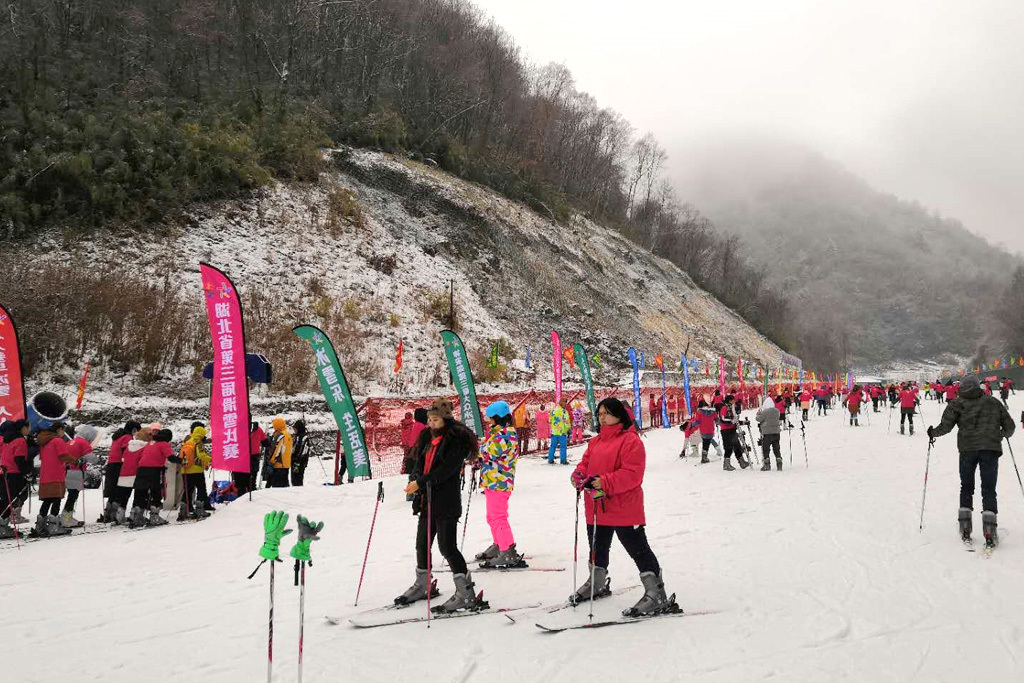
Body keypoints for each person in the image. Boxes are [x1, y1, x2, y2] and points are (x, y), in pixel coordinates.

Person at [569, 397, 679, 616]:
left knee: (638, 549)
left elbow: (632, 475)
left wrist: (605, 482)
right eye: (599, 413)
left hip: (624, 507)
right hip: (597, 506)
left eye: (607, 413)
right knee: (597, 547)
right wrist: (579, 474)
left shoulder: (631, 441)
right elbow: (585, 464)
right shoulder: (595, 442)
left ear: (619, 415)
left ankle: (656, 593)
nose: (602, 417)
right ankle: (597, 582)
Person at [397, 398, 483, 613]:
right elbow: (419, 463)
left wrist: (421, 482)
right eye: (429, 420)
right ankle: (423, 585)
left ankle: (466, 592)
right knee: (422, 544)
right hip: (426, 500)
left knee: (447, 546)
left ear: (445, 420)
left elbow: (446, 470)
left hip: (446, 501)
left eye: (435, 420)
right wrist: (415, 478)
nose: (431, 424)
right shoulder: (426, 436)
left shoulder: (456, 440)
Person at [928, 375, 1016, 548]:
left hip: (967, 450)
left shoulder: (957, 403)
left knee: (966, 486)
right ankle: (990, 528)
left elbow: (945, 427)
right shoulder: (992, 402)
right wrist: (1000, 434)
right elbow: (1010, 426)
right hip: (990, 449)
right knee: (989, 488)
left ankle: (965, 526)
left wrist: (932, 433)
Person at [474, 401, 523, 568]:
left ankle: (506, 550)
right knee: (492, 517)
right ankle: (499, 544)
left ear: (498, 418)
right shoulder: (499, 433)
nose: (489, 421)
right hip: (492, 480)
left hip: (499, 482)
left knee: (498, 517)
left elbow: (489, 452)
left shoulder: (505, 436)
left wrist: (479, 450)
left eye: (490, 418)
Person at [35, 423, 76, 537]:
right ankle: (53, 525)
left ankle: (40, 525)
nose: (63, 433)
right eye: (63, 430)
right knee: (57, 498)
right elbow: (63, 455)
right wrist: (75, 461)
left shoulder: (44, 442)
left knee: (47, 500)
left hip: (45, 475)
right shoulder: (57, 440)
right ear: (59, 430)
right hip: (56, 474)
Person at [133, 428, 176, 527]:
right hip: (154, 470)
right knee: (156, 493)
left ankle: (137, 517)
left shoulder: (151, 442)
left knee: (141, 492)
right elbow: (170, 457)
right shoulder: (164, 443)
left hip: (141, 469)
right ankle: (154, 516)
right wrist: (181, 461)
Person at [99, 420, 140, 522]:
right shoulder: (127, 437)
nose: (136, 434)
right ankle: (116, 514)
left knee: (113, 490)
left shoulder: (118, 436)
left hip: (111, 464)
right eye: (136, 431)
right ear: (133, 429)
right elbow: (126, 452)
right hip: (119, 465)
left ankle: (108, 513)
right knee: (120, 490)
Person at [61, 425, 98, 528]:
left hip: (68, 471)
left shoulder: (71, 441)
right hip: (76, 472)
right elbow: (91, 457)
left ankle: (68, 517)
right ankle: (66, 518)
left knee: (71, 495)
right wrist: (96, 459)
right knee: (73, 496)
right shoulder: (83, 443)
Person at [178, 426, 212, 520]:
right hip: (196, 471)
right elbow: (201, 455)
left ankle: (184, 511)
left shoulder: (188, 441)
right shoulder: (199, 443)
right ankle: (200, 509)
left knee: (188, 491)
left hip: (185, 470)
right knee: (201, 489)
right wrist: (211, 459)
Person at [719, 395, 750, 471]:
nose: (734, 401)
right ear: (730, 400)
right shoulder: (724, 408)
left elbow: (735, 420)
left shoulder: (732, 408)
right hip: (726, 430)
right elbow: (723, 419)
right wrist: (732, 421)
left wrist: (743, 422)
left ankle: (742, 462)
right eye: (733, 400)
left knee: (737, 446)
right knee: (728, 447)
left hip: (732, 429)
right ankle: (726, 464)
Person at [755, 397, 783, 471]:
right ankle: (779, 463)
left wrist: (758, 414)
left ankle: (767, 465)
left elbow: (759, 419)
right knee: (776, 448)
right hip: (776, 432)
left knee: (766, 449)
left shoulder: (764, 412)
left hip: (767, 433)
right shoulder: (777, 411)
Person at [268, 417, 292, 487]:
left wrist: (271, 462)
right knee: (284, 487)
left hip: (278, 465)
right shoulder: (288, 435)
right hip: (286, 464)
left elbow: (276, 450)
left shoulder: (280, 435)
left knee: (277, 488)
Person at [547, 400, 570, 465]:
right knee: (563, 447)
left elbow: (549, 420)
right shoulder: (564, 412)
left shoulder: (553, 411)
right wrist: (567, 429)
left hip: (554, 432)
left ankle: (550, 459)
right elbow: (567, 421)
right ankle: (563, 460)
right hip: (562, 432)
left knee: (552, 446)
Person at [290, 420, 309, 486]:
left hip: (300, 462)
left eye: (295, 429)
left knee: (298, 479)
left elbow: (303, 450)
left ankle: (299, 492)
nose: (294, 430)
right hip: (294, 461)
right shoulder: (296, 436)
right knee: (294, 478)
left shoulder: (304, 437)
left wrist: (296, 459)